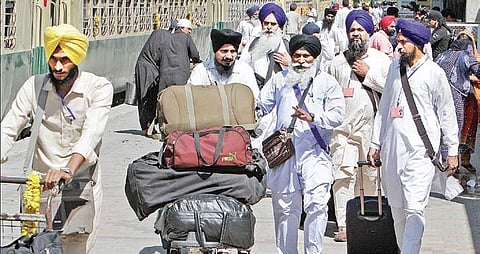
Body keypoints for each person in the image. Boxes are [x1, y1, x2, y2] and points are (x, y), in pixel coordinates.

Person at [0, 24, 113, 253]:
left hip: (80, 185)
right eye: (53, 59)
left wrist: (68, 170)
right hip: (39, 188)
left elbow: (91, 134)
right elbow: (9, 128)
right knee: (36, 247)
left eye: (65, 60)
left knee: (74, 247)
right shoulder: (34, 86)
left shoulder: (98, 88)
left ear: (76, 58)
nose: (58, 66)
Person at [368, 19, 459, 254]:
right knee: (397, 209)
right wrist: (375, 143)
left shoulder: (434, 73)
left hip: (421, 153)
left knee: (415, 208)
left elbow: (447, 114)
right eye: (397, 41)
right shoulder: (394, 69)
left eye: (403, 42)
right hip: (392, 151)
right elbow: (385, 107)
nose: (398, 47)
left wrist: (452, 150)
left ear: (417, 44)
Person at [256, 34, 345, 254]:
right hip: (285, 152)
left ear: (315, 58)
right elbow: (262, 105)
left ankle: (313, 251)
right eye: (297, 55)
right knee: (285, 208)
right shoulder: (280, 79)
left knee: (317, 204)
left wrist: (313, 117)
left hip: (315, 152)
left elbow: (338, 115)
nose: (301, 60)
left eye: (306, 56)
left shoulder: (327, 83)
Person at [327, 9, 391, 242]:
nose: (356, 34)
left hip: (372, 131)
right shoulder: (336, 63)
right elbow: (328, 95)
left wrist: (369, 75)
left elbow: (393, 93)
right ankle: (344, 225)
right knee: (343, 177)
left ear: (369, 32)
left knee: (371, 177)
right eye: (352, 30)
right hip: (342, 132)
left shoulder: (381, 61)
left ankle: (366, 221)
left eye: (360, 30)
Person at [135, 19, 201, 134]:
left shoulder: (164, 36)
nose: (190, 32)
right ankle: (148, 126)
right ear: (178, 29)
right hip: (150, 69)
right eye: (188, 29)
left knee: (158, 98)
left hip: (158, 71)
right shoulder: (163, 35)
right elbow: (157, 55)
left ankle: (153, 126)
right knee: (149, 98)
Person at [436, 38, 480, 166]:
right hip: (455, 95)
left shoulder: (442, 55)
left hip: (437, 96)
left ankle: (440, 160)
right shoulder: (464, 55)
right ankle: (449, 163)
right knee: (454, 128)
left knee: (439, 127)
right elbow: (478, 71)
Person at [188, 28, 259, 99]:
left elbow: (253, 98)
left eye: (232, 51)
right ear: (215, 51)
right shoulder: (201, 70)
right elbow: (191, 97)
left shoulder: (245, 70)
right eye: (224, 51)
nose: (229, 56)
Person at [457, 30, 480, 172]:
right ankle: (454, 162)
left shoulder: (476, 59)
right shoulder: (453, 57)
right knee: (456, 130)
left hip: (471, 100)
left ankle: (466, 160)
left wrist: (474, 79)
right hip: (457, 98)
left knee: (469, 130)